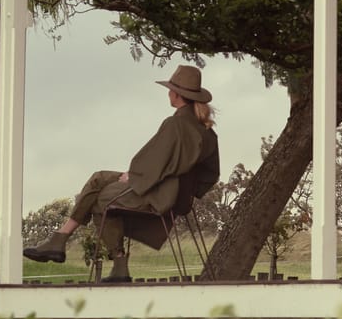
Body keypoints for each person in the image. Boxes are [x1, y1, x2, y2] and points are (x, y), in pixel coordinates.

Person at [24, 65, 220, 283]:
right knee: (99, 177)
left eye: (170, 89)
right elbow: (210, 175)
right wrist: (186, 190)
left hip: (157, 193)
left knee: (101, 200)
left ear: (177, 94)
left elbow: (153, 161)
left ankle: (115, 263)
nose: (168, 93)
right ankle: (59, 240)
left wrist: (136, 176)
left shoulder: (175, 124)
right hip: (172, 194)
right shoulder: (208, 133)